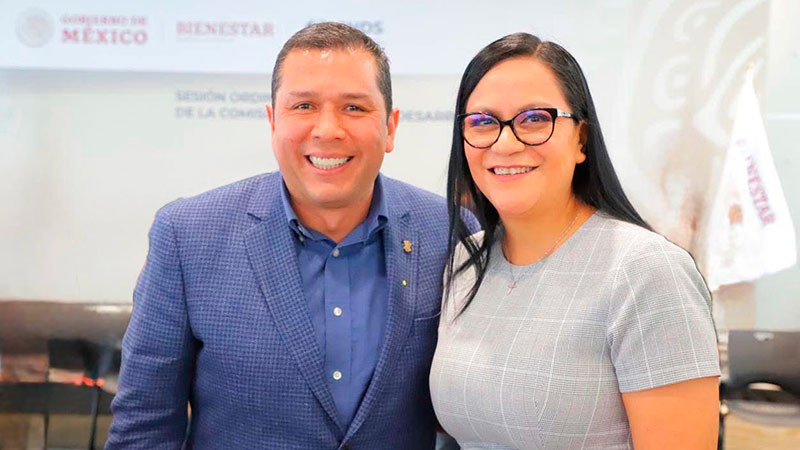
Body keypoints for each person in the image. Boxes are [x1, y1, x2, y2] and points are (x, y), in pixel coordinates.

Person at [107, 22, 457, 449]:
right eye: (304, 106)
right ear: (273, 121)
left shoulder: (449, 232)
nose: (327, 129)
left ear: (390, 127)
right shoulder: (186, 237)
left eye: (354, 107)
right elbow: (144, 425)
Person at [430, 33, 720, 449]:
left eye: (534, 118)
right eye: (483, 122)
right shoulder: (467, 260)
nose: (505, 143)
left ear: (581, 140)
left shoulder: (646, 271)